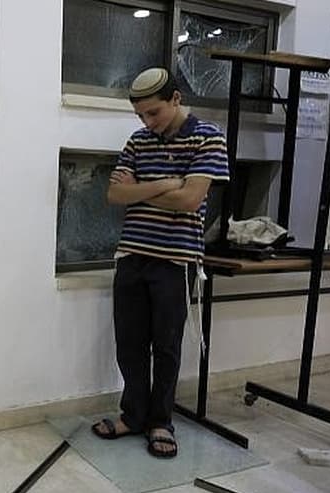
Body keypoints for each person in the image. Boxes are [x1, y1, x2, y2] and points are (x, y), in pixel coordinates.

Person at [91, 68, 230, 458]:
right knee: (129, 344)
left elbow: (190, 201)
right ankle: (133, 415)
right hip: (133, 255)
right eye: (140, 116)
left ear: (175, 99)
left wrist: (141, 191)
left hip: (176, 257)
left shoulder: (208, 137)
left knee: (165, 346)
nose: (147, 122)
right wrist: (166, 183)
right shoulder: (138, 141)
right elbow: (115, 195)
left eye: (153, 113)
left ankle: (160, 421)